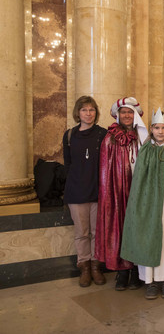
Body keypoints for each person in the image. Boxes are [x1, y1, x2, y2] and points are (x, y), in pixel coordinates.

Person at [120, 108, 164, 300]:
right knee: (148, 238)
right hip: (147, 204)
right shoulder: (145, 150)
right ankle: (151, 281)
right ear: (151, 128)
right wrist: (139, 205)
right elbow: (139, 181)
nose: (160, 131)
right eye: (156, 127)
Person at [96, 97, 148, 291]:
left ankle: (135, 270)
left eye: (130, 112)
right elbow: (104, 171)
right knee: (119, 227)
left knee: (137, 229)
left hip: (139, 191)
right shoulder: (110, 138)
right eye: (123, 112)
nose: (127, 115)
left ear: (136, 115)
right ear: (117, 115)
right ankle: (122, 271)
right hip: (117, 192)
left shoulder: (144, 135)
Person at [63, 95, 108, 288]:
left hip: (98, 191)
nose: (88, 113)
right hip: (76, 191)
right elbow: (68, 164)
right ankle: (85, 267)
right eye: (84, 110)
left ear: (96, 113)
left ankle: (96, 267)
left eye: (91, 110)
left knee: (97, 232)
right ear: (78, 113)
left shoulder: (103, 134)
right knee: (82, 232)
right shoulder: (70, 135)